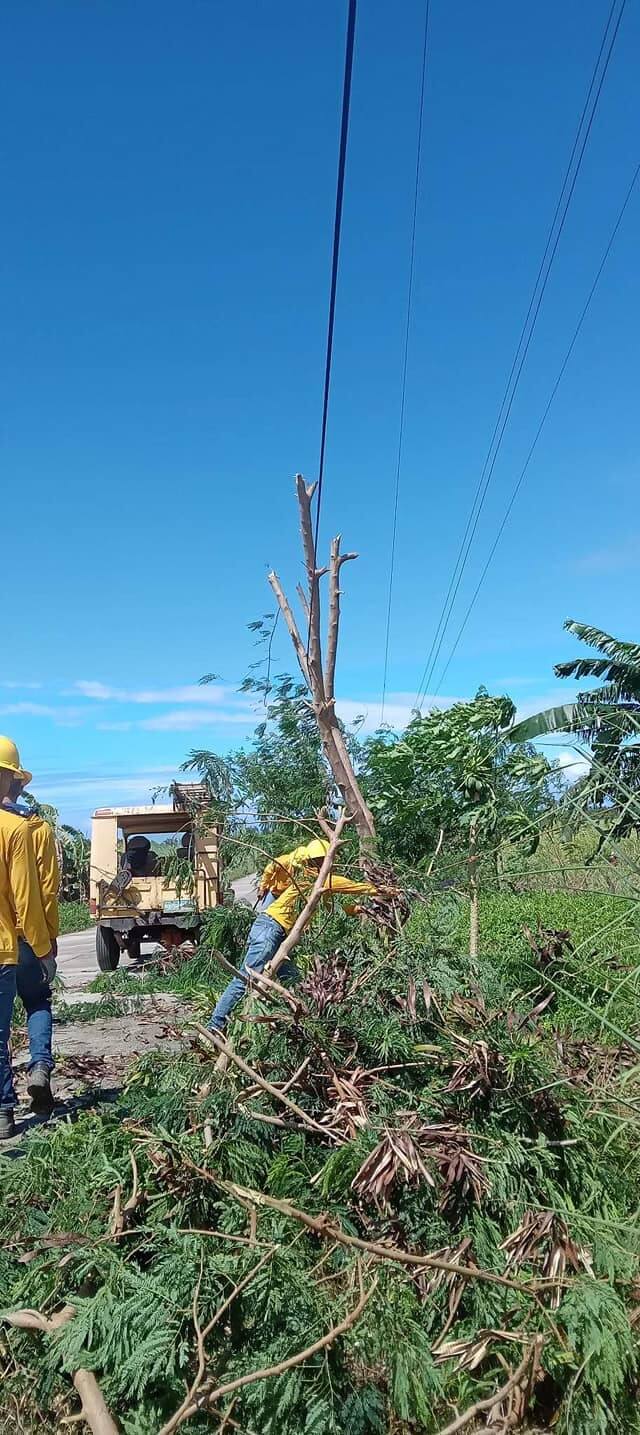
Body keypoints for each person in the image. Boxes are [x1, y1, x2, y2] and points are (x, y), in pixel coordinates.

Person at [208, 841, 382, 1033]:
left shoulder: (316, 885)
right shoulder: (317, 879)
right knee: (244, 980)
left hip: (278, 934)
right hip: (270, 928)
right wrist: (385, 891)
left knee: (294, 982)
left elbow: (335, 907)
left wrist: (360, 909)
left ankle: (302, 1023)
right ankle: (214, 1027)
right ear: (319, 862)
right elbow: (354, 887)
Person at [0, 736, 54, 1141]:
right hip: (15, 940)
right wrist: (43, 944)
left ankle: (3, 1110)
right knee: (35, 1002)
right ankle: (37, 1069)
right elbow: (37, 893)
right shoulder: (26, 828)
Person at [257, 838, 329, 908]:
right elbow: (268, 872)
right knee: (265, 911)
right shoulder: (284, 861)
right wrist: (262, 888)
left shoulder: (307, 867)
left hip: (290, 897)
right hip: (275, 893)